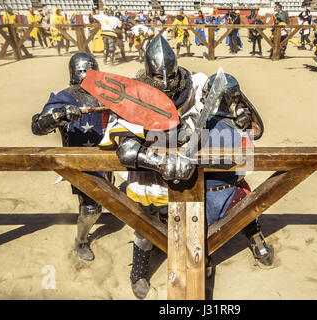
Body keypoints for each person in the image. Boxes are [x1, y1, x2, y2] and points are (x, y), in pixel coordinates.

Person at [102, 36, 272, 299]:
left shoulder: (193, 84)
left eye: (170, 76)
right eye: (159, 78)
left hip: (197, 169)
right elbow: (126, 149)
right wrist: (161, 162)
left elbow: (221, 84)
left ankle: (245, 241)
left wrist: (231, 96)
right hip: (154, 176)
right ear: (149, 74)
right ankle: (138, 270)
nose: (167, 84)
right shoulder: (133, 97)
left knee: (230, 201)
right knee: (146, 227)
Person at [31, 53, 110, 261]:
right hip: (80, 163)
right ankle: (81, 240)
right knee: (92, 209)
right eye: (83, 70)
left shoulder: (108, 94)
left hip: (108, 158)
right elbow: (38, 126)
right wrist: (60, 114)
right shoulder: (64, 97)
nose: (86, 75)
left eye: (91, 70)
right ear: (74, 72)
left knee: (110, 198)